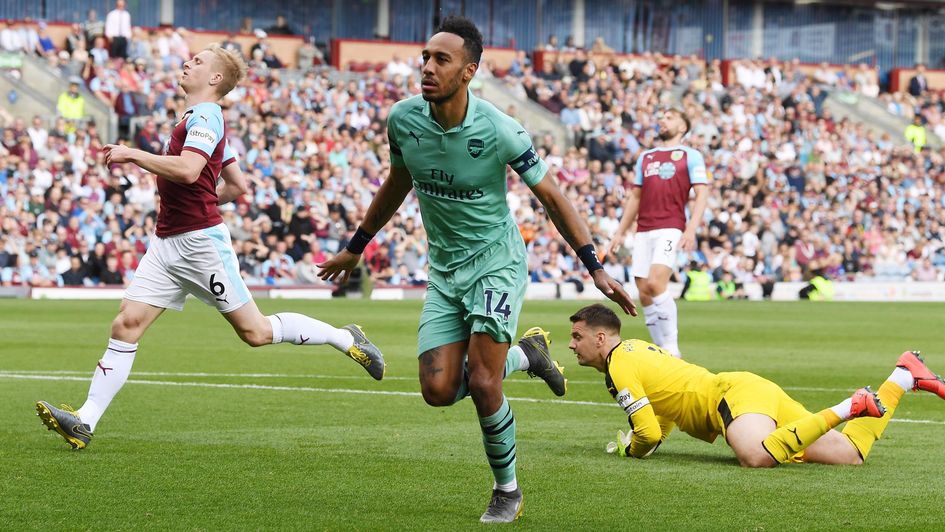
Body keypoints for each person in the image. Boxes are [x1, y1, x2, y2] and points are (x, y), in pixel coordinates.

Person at [318, 16, 635, 524]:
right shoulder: (403, 120)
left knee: (485, 383)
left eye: (441, 59)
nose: (427, 66)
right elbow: (398, 183)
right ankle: (528, 356)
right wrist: (356, 245)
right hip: (444, 272)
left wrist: (594, 265)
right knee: (438, 391)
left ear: (469, 72)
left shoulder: (500, 129)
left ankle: (506, 490)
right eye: (425, 56)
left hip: (496, 264)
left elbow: (553, 197)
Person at [36, 44, 385, 451]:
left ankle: (346, 338)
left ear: (216, 79)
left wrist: (134, 154)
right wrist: (198, 200)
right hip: (167, 242)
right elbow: (237, 185)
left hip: (199, 244)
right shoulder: (199, 119)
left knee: (255, 332)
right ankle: (84, 421)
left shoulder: (206, 115)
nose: (187, 63)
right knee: (126, 324)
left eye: (198, 61)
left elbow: (187, 170)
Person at [568, 303, 945, 467]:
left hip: (732, 399)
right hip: (748, 391)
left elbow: (647, 432)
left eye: (577, 336)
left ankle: (851, 406)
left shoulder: (618, 366)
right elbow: (662, 412)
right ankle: (903, 376)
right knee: (850, 453)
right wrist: (650, 441)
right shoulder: (637, 350)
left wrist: (631, 450)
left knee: (755, 456)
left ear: (601, 338)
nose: (571, 345)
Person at [606, 108, 709, 357]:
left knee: (655, 283)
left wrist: (691, 228)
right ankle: (662, 350)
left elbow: (702, 194)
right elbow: (636, 197)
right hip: (644, 229)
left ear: (683, 127)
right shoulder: (646, 157)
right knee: (643, 292)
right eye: (661, 117)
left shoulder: (691, 156)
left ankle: (673, 347)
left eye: (670, 117)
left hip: (671, 226)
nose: (662, 120)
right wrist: (620, 231)